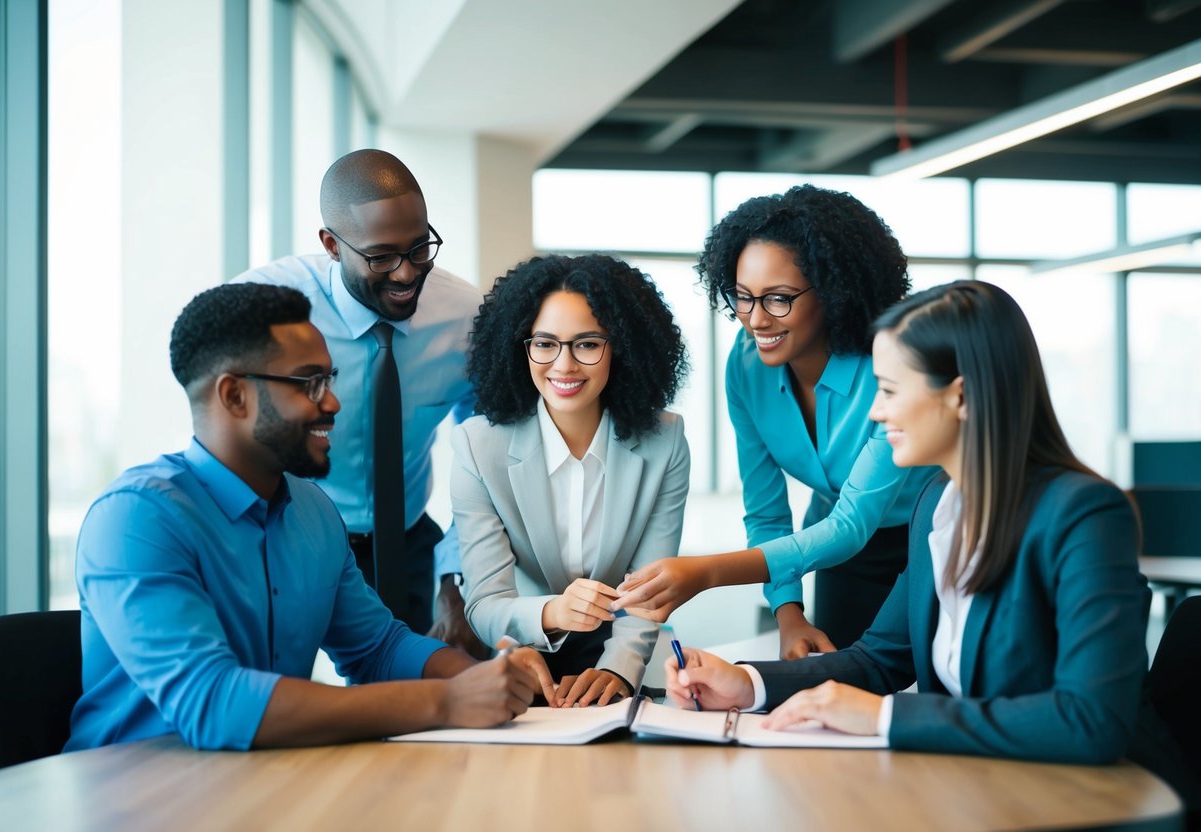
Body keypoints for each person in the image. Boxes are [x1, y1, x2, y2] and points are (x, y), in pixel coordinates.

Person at [664, 280, 1151, 764]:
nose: (876, 411)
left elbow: (1092, 721)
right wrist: (746, 683)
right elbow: (879, 659)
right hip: (974, 788)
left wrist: (884, 718)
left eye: (890, 390)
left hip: (1083, 800)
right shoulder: (938, 504)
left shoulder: (1083, 515)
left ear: (960, 396)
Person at [66, 283, 554, 752]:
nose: (333, 402)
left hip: (260, 783)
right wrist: (447, 700)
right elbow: (212, 703)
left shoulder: (313, 511)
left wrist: (485, 679)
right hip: (133, 794)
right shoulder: (136, 519)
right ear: (234, 396)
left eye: (330, 379)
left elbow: (377, 649)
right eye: (309, 383)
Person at [615, 185, 935, 658]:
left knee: (931, 690)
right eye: (743, 297)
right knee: (841, 690)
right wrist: (788, 613)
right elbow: (767, 513)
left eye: (779, 298)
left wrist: (706, 572)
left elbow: (853, 523)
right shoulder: (746, 366)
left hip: (931, 534)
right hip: (834, 548)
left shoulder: (886, 366)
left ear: (833, 292)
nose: (756, 320)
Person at [234, 149, 483, 655]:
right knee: (271, 690)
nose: (407, 274)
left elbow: (490, 453)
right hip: (288, 536)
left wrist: (458, 577)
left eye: (419, 249)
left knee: (426, 691)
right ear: (330, 244)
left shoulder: (466, 317)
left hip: (408, 540)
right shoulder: (265, 305)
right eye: (382, 257)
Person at [451, 254, 691, 706]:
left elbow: (649, 584)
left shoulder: (666, 441)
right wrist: (554, 610)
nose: (563, 365)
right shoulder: (477, 447)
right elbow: (485, 604)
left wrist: (619, 668)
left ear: (619, 347)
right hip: (520, 646)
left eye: (586, 344)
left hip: (623, 648)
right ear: (520, 347)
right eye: (544, 344)